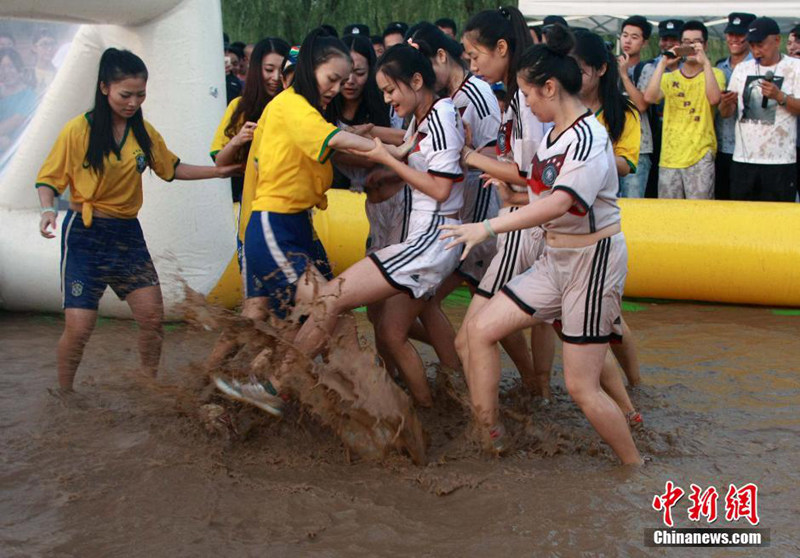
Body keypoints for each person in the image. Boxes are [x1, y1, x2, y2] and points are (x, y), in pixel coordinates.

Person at [441, 26, 642, 465]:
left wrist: (488, 227)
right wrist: (513, 197)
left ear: (550, 88)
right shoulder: (553, 135)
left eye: (529, 96)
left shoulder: (589, 137)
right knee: (478, 330)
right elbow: (540, 189)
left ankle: (635, 467)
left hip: (593, 262)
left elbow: (562, 201)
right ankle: (488, 433)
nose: (526, 104)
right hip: (556, 258)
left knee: (580, 387)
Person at [208, 30, 409, 411]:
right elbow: (339, 140)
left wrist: (396, 148)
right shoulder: (291, 105)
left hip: (297, 226)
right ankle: (269, 386)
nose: (338, 87)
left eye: (344, 80)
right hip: (272, 228)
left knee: (334, 320)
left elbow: (349, 137)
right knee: (315, 308)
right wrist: (392, 153)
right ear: (307, 71)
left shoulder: (307, 109)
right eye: (332, 78)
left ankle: (360, 403)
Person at [268, 43, 467, 409]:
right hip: (429, 240)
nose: (388, 100)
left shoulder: (441, 118)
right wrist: (373, 138)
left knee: (332, 297)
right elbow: (407, 145)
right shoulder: (426, 117)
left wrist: (381, 157)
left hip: (429, 241)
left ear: (417, 80)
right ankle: (429, 409)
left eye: (391, 91)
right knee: (389, 331)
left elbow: (440, 188)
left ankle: (277, 384)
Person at [34, 48, 241, 391]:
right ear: (104, 88)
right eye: (125, 95)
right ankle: (65, 392)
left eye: (140, 94)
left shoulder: (143, 132)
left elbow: (172, 169)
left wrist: (220, 172)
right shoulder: (77, 131)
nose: (132, 102)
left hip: (127, 235)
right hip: (85, 235)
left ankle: (148, 385)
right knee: (81, 327)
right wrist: (45, 211)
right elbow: (48, 179)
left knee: (152, 318)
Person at [459, 6, 555, 398]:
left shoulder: (524, 101)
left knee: (467, 339)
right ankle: (541, 396)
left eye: (474, 56)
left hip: (524, 228)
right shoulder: (516, 97)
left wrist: (468, 156)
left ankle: (488, 433)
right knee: (568, 328)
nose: (473, 66)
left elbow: (534, 172)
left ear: (501, 47)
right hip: (531, 220)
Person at [572, 29, 644, 409]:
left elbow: (627, 164)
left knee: (610, 318)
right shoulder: (557, 105)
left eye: (579, 70)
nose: (571, 77)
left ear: (600, 69)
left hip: (600, 224)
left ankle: (633, 388)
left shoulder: (621, 113)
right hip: (563, 225)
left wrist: (584, 157)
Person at [722, 17, 800, 202]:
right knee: (743, 219)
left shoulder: (795, 68)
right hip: (743, 159)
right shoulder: (742, 69)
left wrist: (780, 97)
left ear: (777, 40)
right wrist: (726, 102)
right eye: (752, 45)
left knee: (778, 220)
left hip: (780, 160)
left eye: (761, 44)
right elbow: (727, 114)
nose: (756, 50)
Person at [644, 21, 724, 199]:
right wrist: (663, 63)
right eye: (686, 42)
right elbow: (649, 98)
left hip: (700, 156)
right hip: (669, 157)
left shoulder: (715, 73)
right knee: (669, 217)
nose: (692, 46)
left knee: (699, 215)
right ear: (680, 45)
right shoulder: (668, 77)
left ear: (705, 45)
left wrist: (705, 63)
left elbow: (714, 99)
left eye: (697, 42)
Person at [210, 38, 289, 203]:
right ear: (254, 69)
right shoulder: (239, 106)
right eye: (269, 69)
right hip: (252, 197)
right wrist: (238, 140)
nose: (275, 77)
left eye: (282, 70)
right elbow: (220, 162)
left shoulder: (297, 107)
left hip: (290, 196)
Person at [714, 13, 756, 200]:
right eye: (731, 34)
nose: (734, 39)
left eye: (740, 34)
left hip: (749, 148)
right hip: (722, 145)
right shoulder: (718, 67)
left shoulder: (757, 67)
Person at [617, 15, 654, 198]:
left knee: (633, 203)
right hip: (612, 146)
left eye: (634, 37)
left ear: (644, 43)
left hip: (639, 147)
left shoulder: (647, 69)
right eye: (625, 35)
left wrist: (624, 75)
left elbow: (641, 105)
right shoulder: (608, 66)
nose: (627, 41)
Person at [0, 48, 36, 153]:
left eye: (10, 66)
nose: (6, 71)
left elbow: (14, 122)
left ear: (18, 68)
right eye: (2, 67)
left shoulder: (28, 96)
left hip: (15, 155)